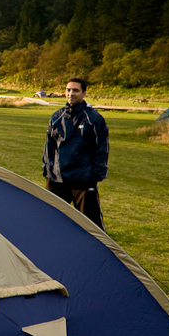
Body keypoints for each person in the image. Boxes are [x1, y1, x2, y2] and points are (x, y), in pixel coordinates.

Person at [42, 78, 109, 231]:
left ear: (84, 93)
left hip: (83, 181)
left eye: (76, 90)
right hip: (57, 180)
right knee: (50, 223)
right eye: (68, 90)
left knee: (92, 227)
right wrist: (48, 170)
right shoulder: (56, 117)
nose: (71, 93)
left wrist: (96, 175)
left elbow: (102, 150)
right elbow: (49, 147)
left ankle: (98, 254)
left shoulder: (94, 119)